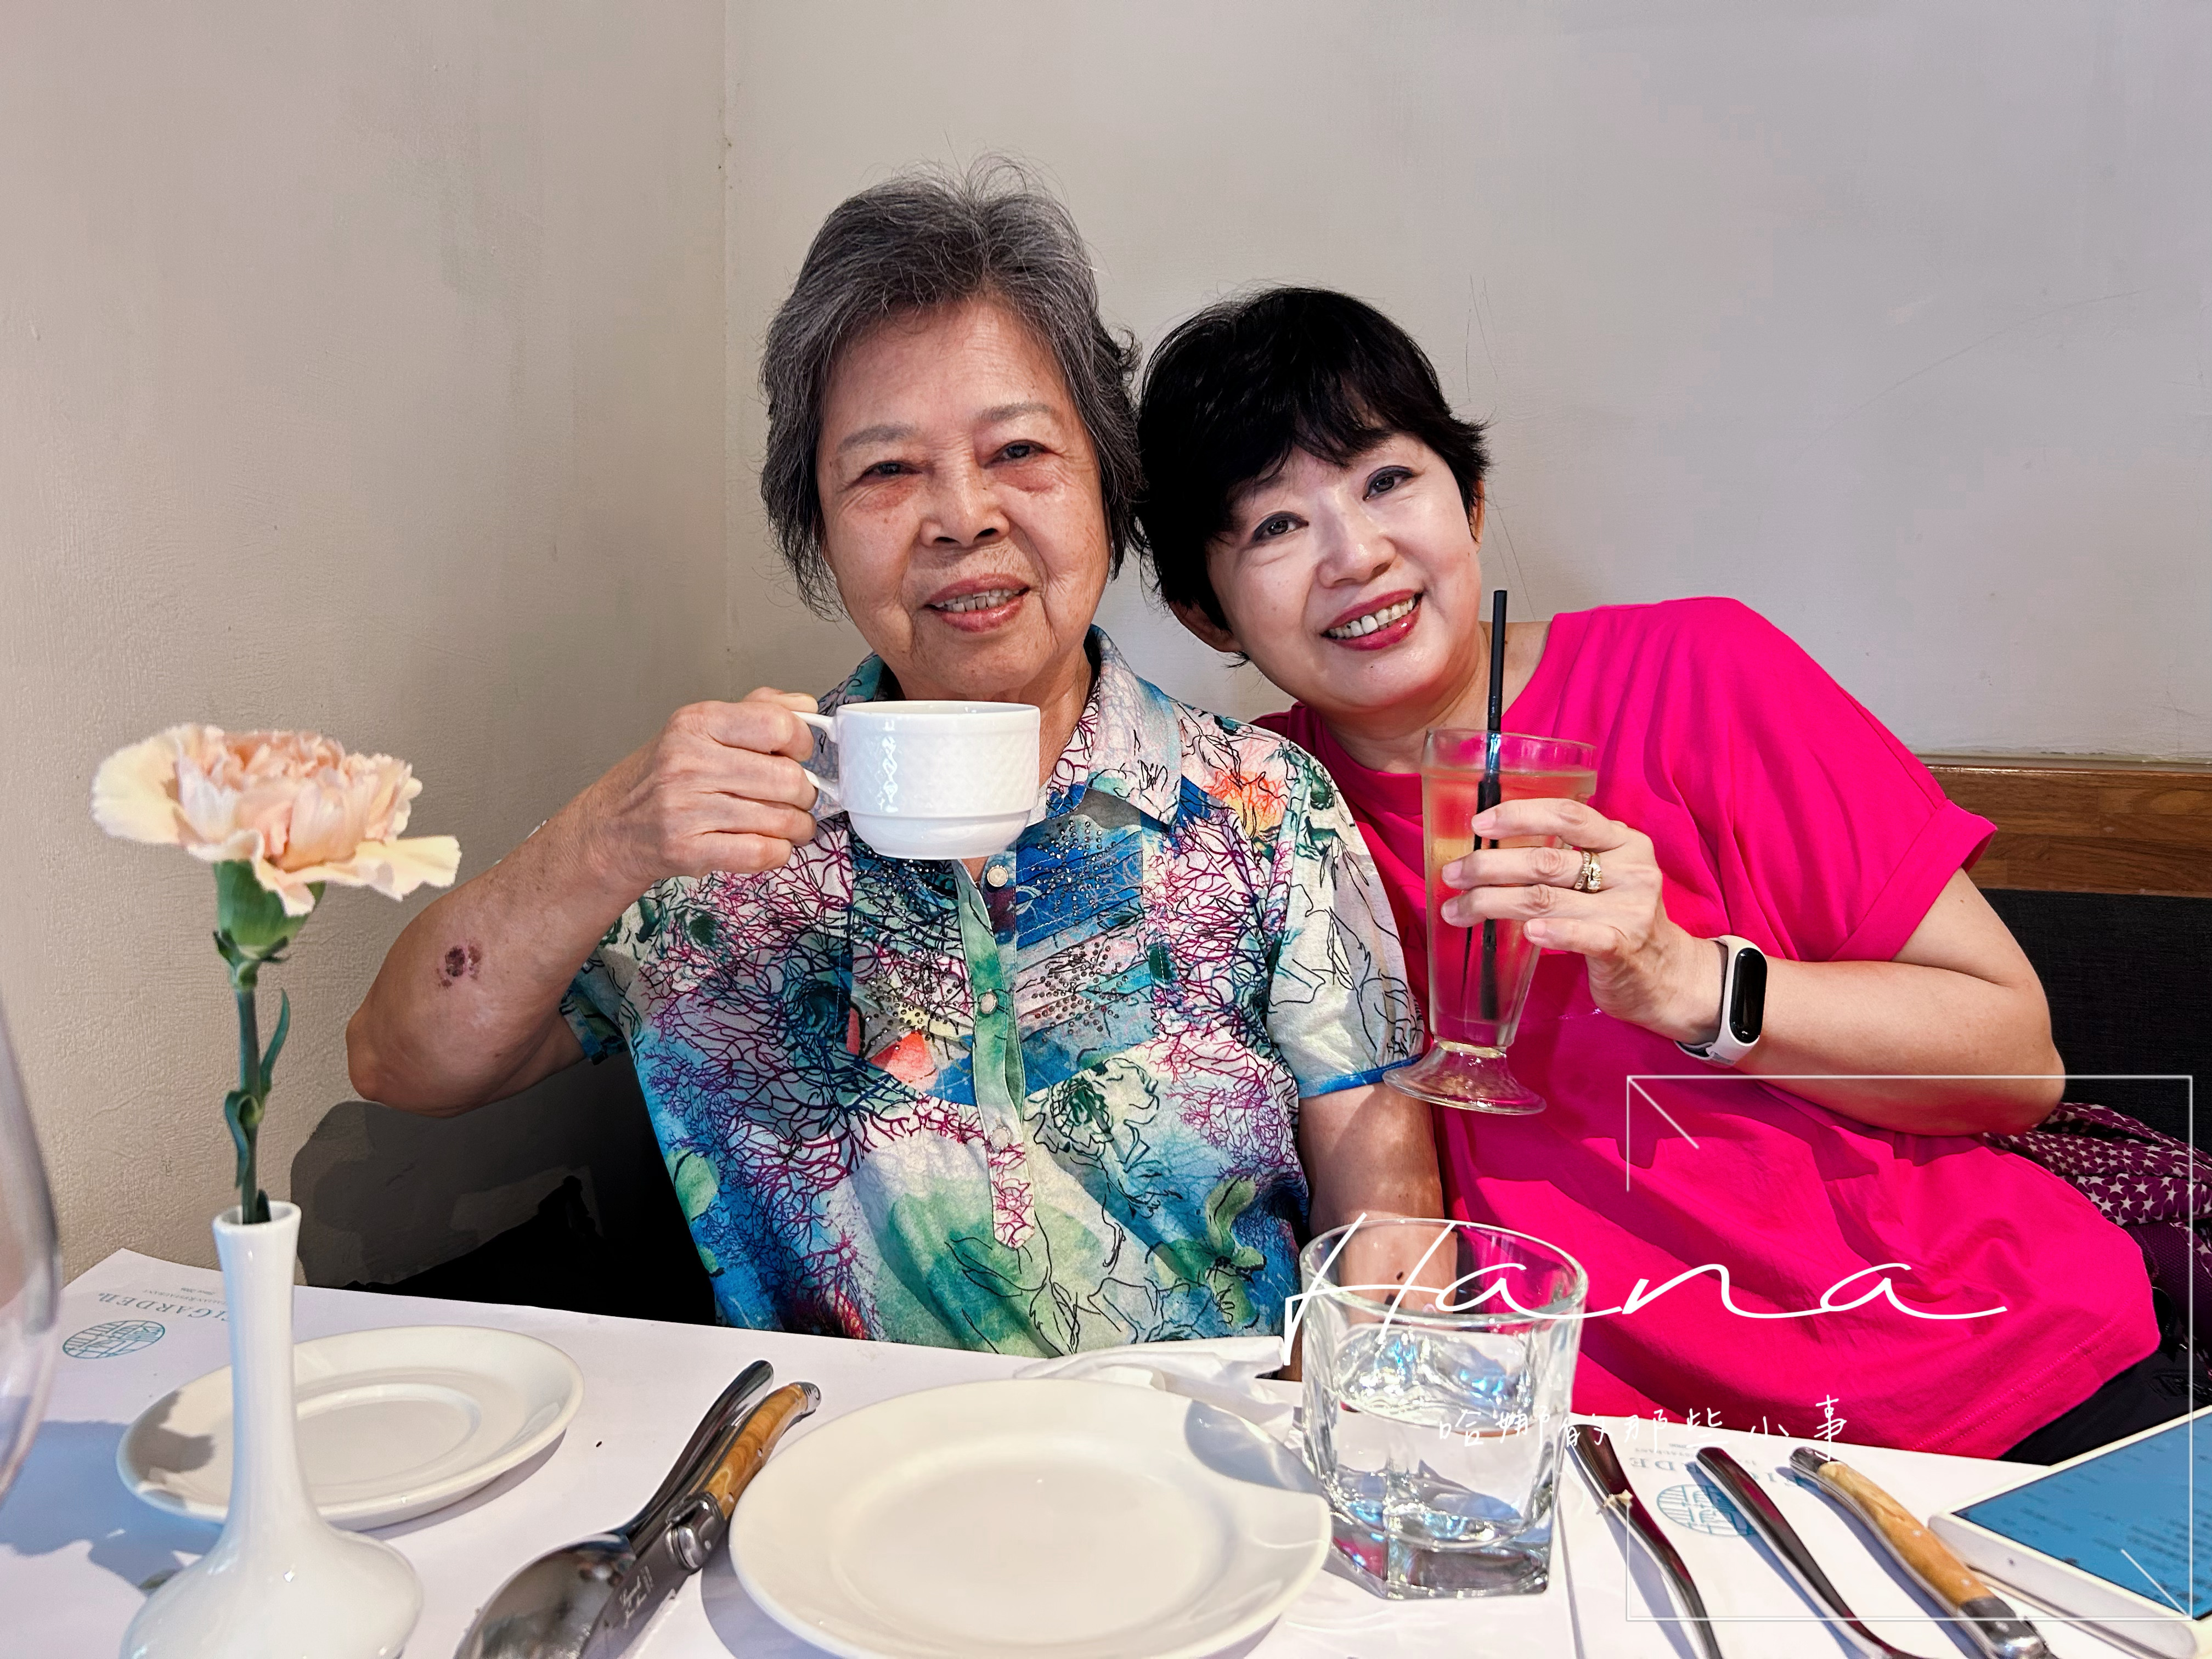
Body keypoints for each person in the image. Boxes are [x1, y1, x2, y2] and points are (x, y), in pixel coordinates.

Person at [346, 178, 1437, 1356]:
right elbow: (402, 1061)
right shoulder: (727, 830)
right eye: (885, 472)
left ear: (1109, 486)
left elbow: (1386, 1215)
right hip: (826, 1501)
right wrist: (610, 835)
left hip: (1195, 1487)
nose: (961, 517)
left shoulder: (1264, 810)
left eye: (1018, 450)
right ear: (816, 526)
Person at [1132, 286, 2176, 1459]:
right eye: (1274, 526)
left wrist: (1693, 984)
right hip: (1602, 1462)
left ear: (1469, 499)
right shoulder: (1253, 817)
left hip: (1977, 1376)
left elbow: (2014, 1066)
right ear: (1204, 610)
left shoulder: (1703, 675)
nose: (1355, 554)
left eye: (1387, 481)